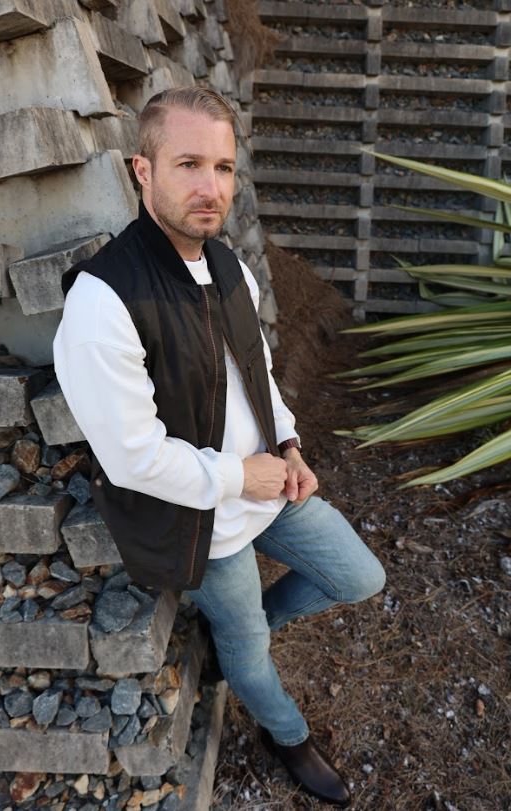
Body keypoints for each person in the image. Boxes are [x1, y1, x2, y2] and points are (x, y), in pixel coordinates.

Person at [53, 86, 386, 807]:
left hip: (269, 481)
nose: (212, 188)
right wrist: (241, 475)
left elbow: (258, 375)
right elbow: (132, 456)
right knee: (253, 657)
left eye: (226, 168)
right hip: (201, 518)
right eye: (189, 164)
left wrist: (290, 443)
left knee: (361, 577)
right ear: (142, 170)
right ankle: (287, 733)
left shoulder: (226, 264)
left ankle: (238, 635)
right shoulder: (102, 300)